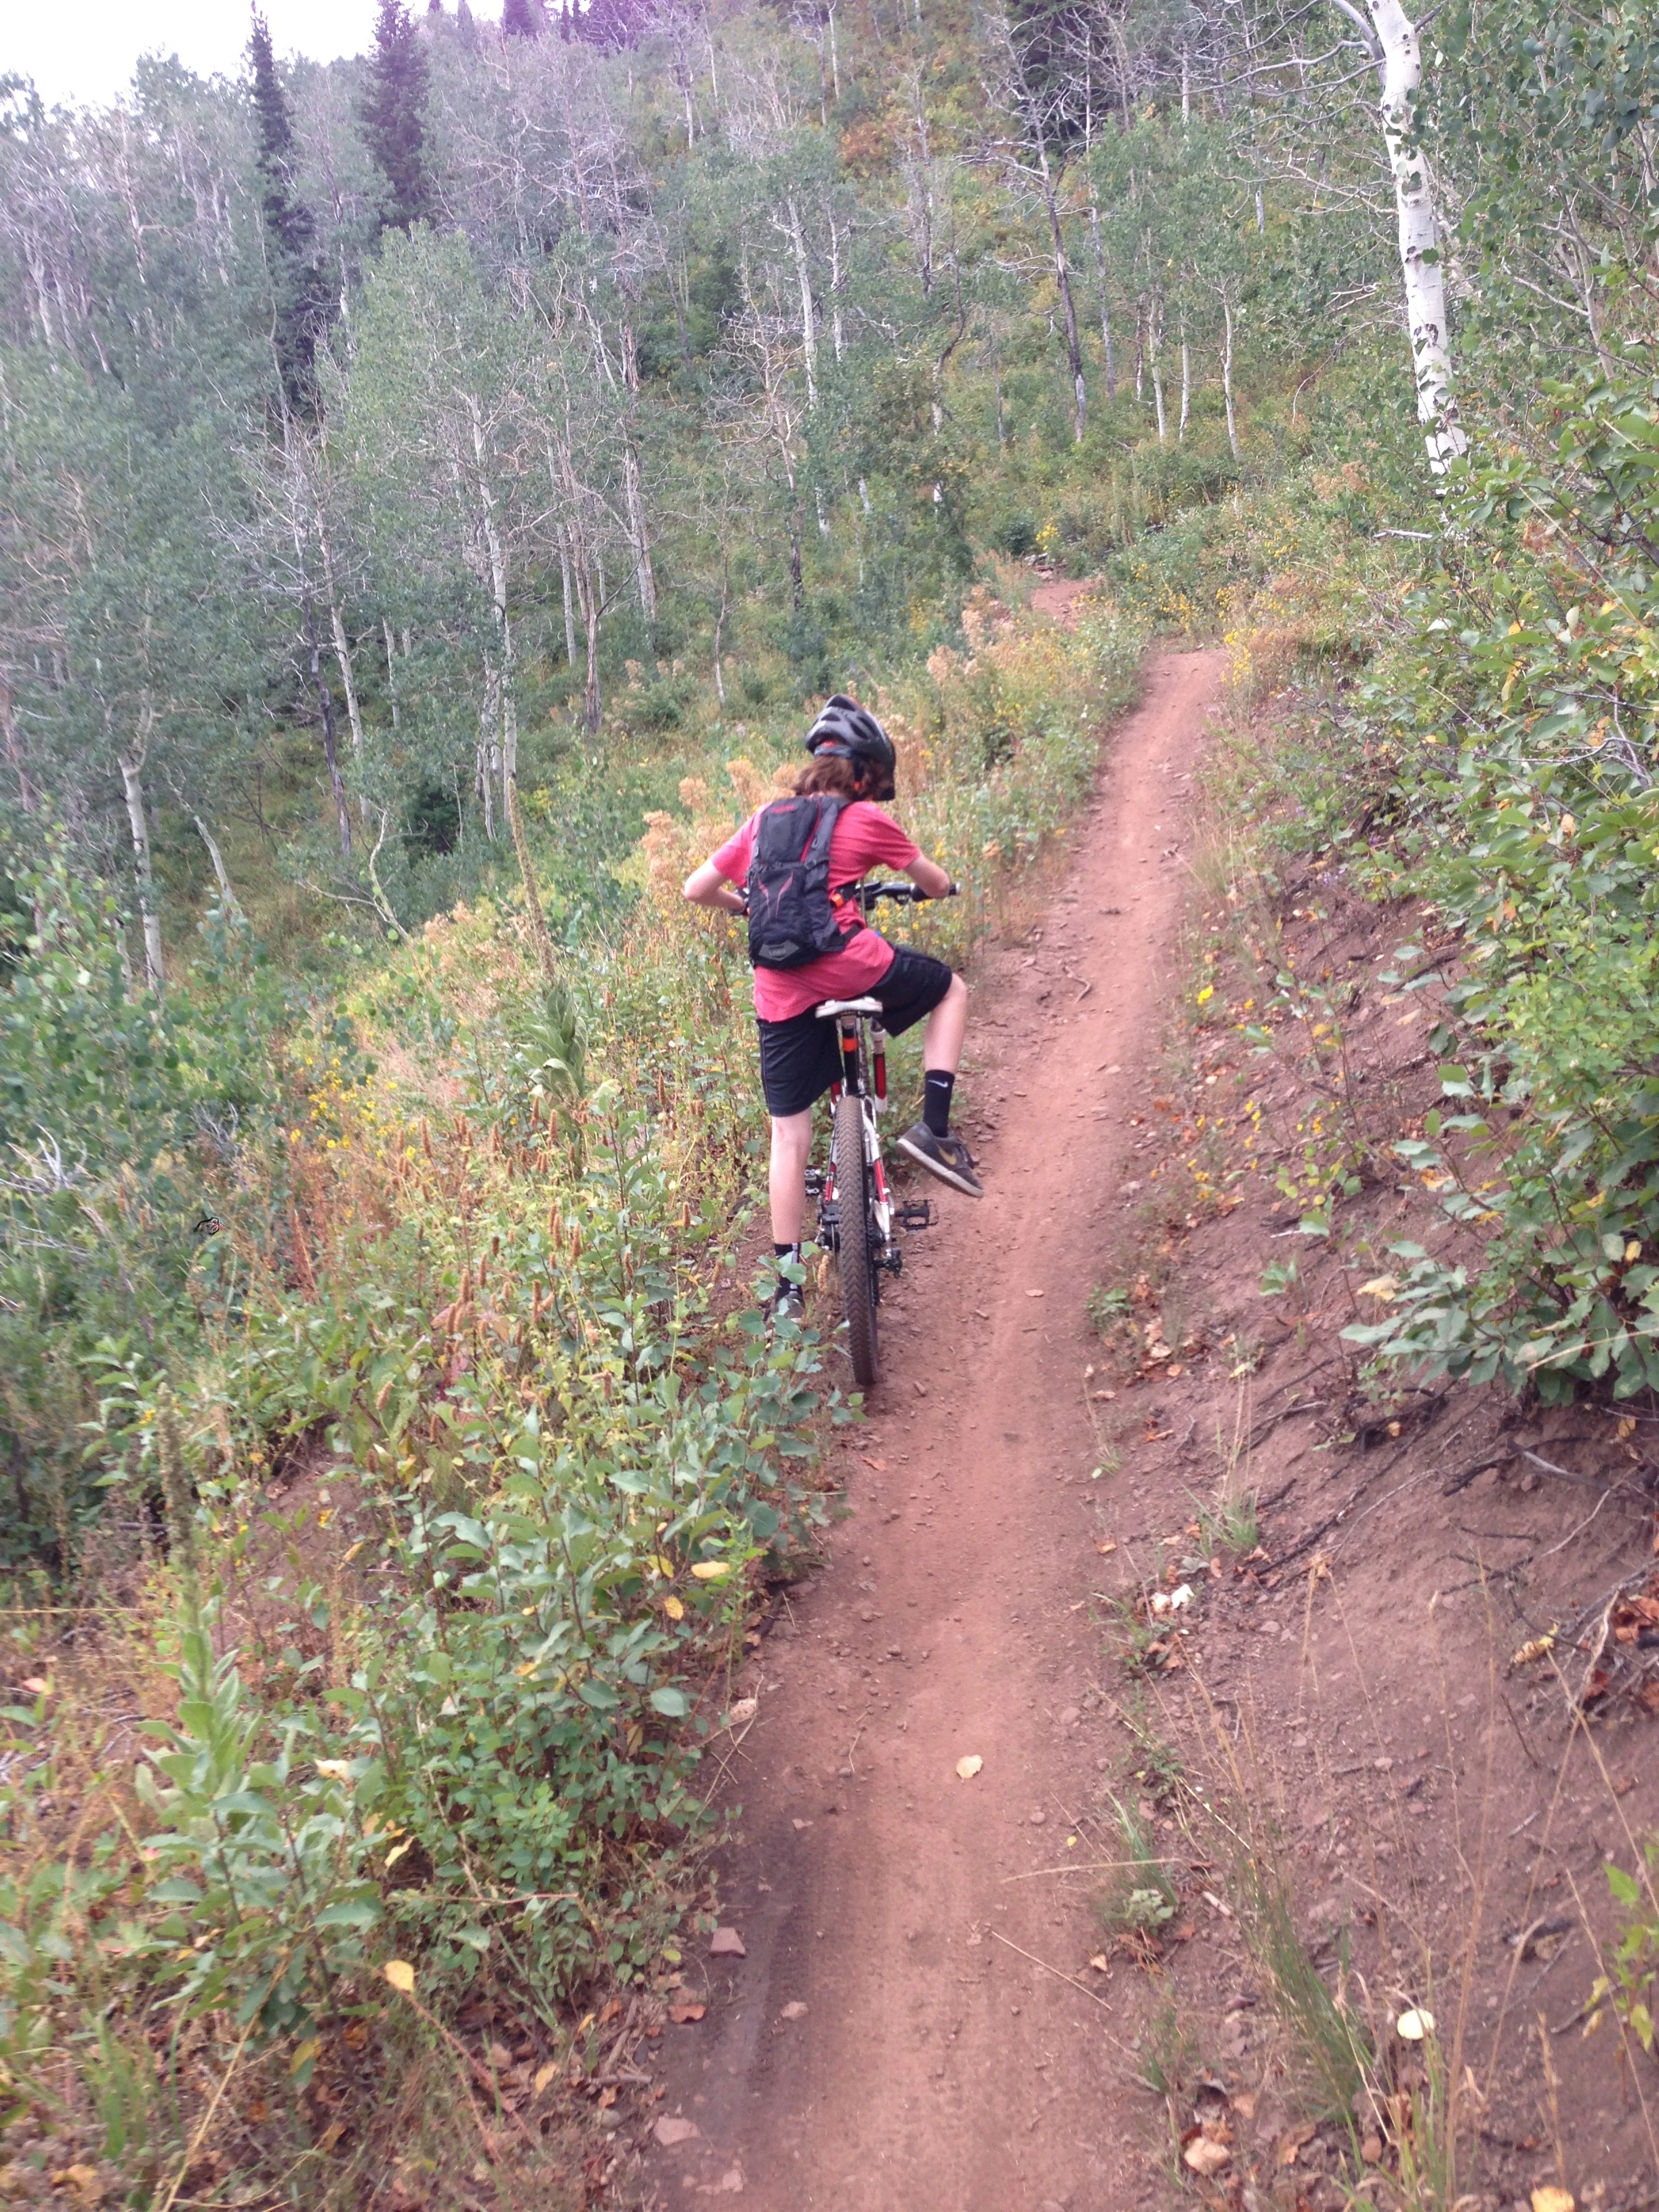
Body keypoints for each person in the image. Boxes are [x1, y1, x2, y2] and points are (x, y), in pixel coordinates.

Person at [683, 695, 983, 1325]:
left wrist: (747, 906)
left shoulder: (765, 819)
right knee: (950, 989)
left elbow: (696, 889)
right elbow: (930, 881)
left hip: (779, 987)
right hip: (852, 964)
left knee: (789, 1136)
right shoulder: (866, 819)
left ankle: (788, 1285)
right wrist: (943, 886)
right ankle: (933, 1129)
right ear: (865, 775)